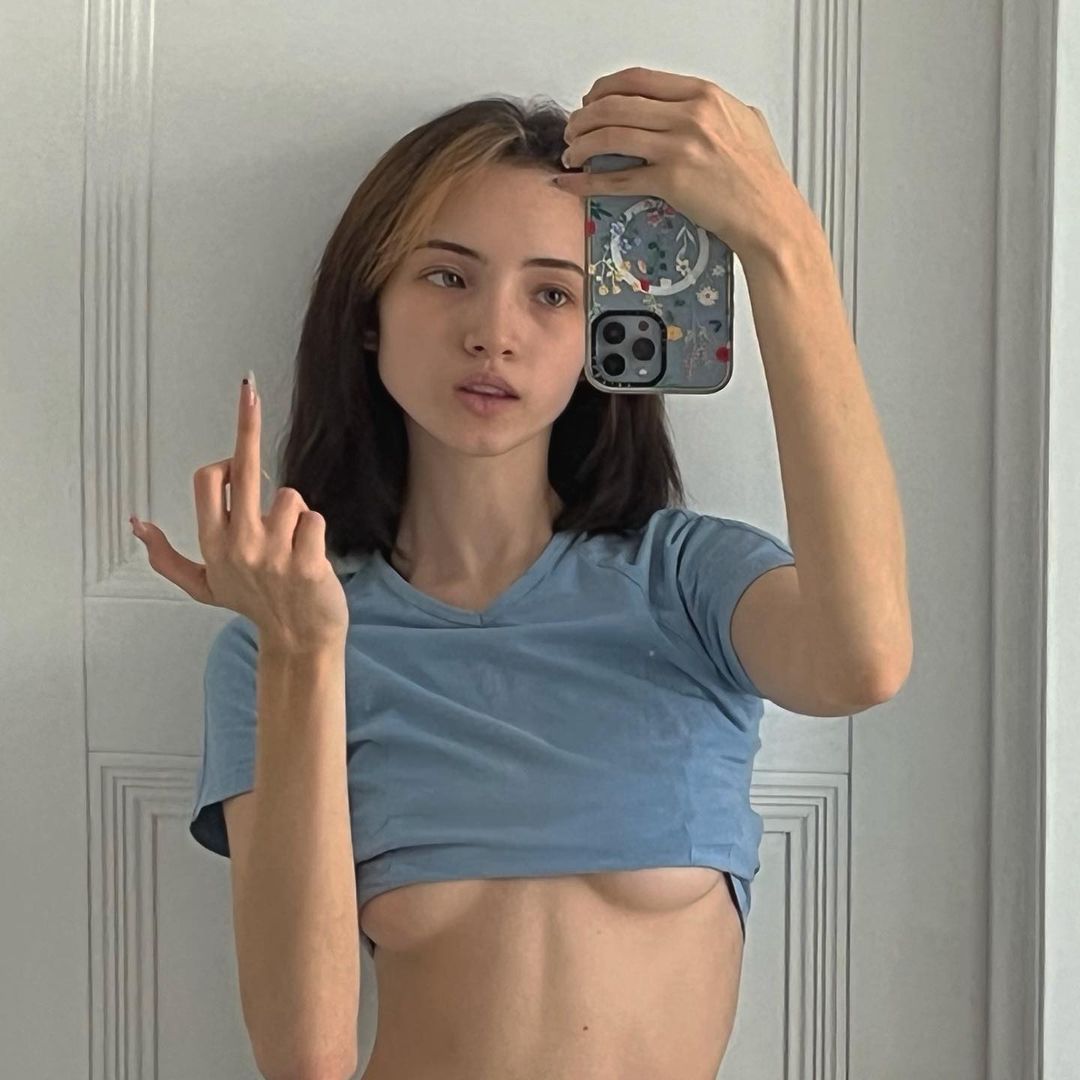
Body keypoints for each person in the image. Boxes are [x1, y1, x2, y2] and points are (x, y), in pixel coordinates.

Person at [157, 94, 797, 1079]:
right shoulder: (275, 643)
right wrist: (301, 650)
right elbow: (304, 1059)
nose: (493, 332)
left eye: (553, 294)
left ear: (605, 331)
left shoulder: (689, 583)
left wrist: (783, 245)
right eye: (448, 276)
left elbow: (868, 659)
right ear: (368, 315)